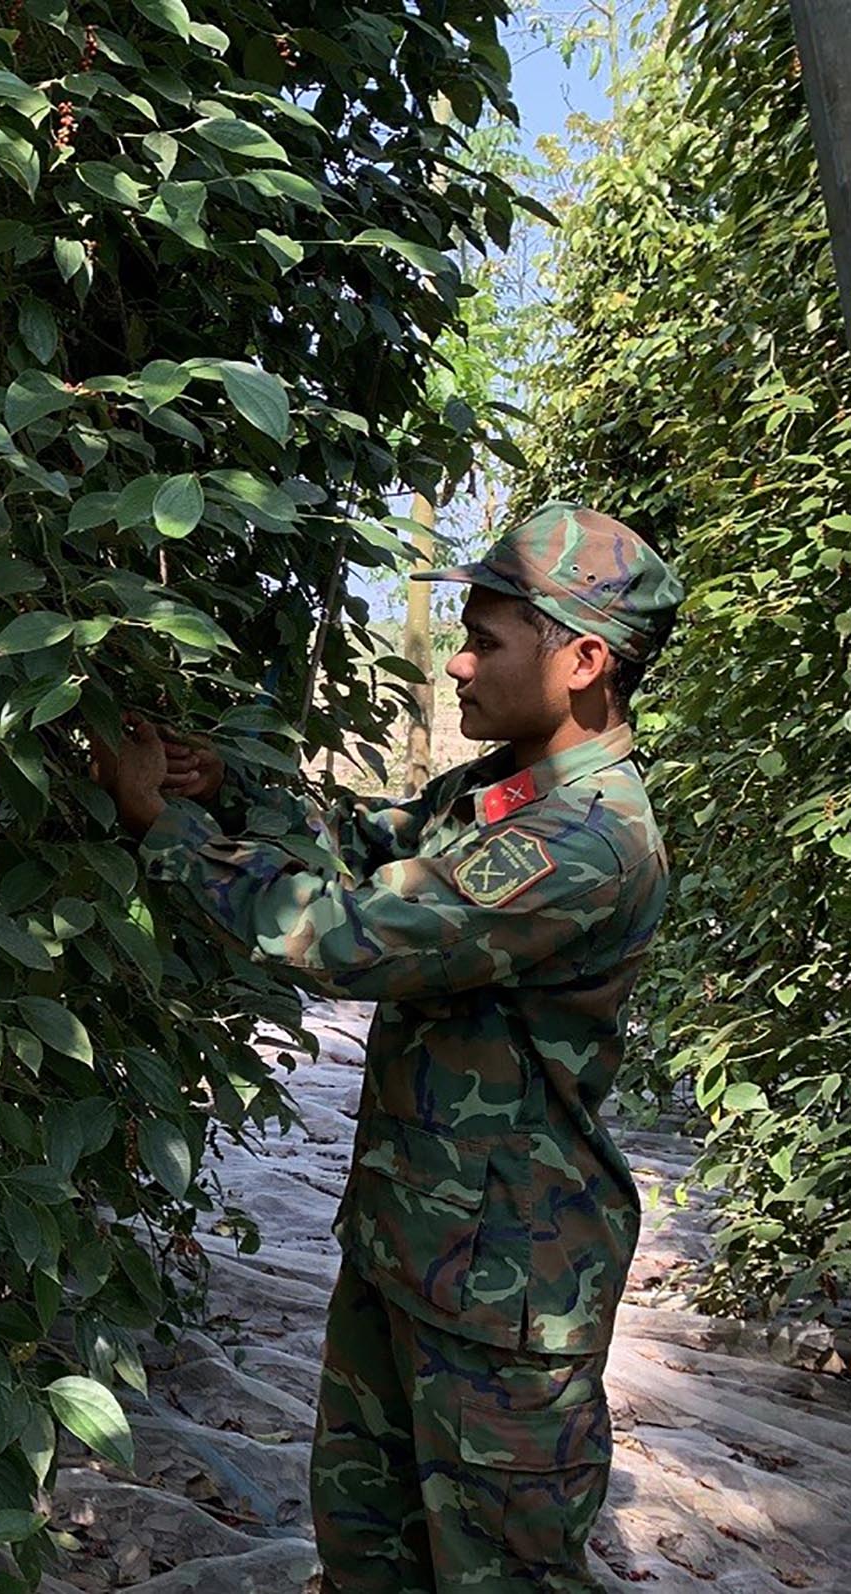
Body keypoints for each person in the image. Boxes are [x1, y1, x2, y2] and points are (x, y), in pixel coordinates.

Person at [91, 502, 682, 1593]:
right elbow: (376, 840)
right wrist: (233, 783)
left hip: (507, 1286)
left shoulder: (587, 837)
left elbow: (355, 937)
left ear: (583, 659)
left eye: (487, 639)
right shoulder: (506, 789)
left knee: (496, 1570)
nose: (455, 661)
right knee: (367, 1546)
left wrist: (164, 830)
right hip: (414, 1248)